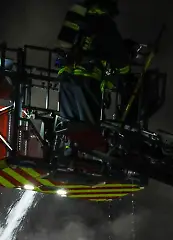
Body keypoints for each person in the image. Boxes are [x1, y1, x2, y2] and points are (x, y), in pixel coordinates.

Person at [56, 0, 135, 141]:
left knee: (68, 126)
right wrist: (126, 75)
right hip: (87, 81)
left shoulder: (79, 14)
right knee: (88, 131)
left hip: (66, 77)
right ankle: (84, 151)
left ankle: (67, 149)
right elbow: (120, 57)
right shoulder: (105, 23)